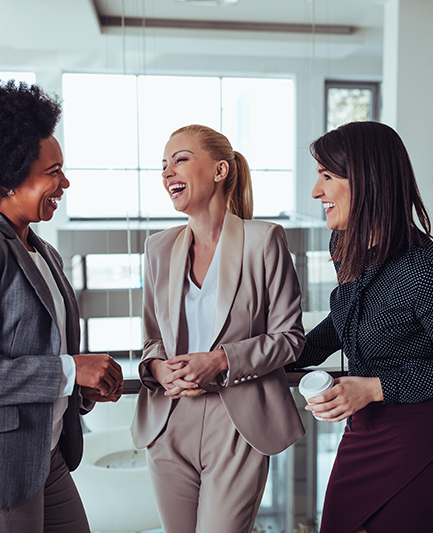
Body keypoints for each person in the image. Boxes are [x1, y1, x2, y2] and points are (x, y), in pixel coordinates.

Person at [0, 81, 124, 533]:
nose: (65, 183)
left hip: (42, 457)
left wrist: (80, 388)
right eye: (53, 171)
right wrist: (69, 371)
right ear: (8, 178)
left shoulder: (40, 250)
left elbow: (41, 350)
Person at [288, 121, 433, 533]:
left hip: (425, 434)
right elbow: (346, 321)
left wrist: (373, 387)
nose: (315, 192)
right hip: (368, 425)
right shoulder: (345, 245)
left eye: (326, 176)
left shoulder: (428, 272)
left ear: (366, 180)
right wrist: (279, 357)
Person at [130, 124, 305, 533]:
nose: (167, 171)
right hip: (168, 419)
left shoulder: (264, 241)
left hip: (237, 418)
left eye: (181, 159)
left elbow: (291, 339)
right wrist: (157, 369)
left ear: (220, 170)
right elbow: (152, 338)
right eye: (163, 165)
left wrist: (222, 360)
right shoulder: (158, 248)